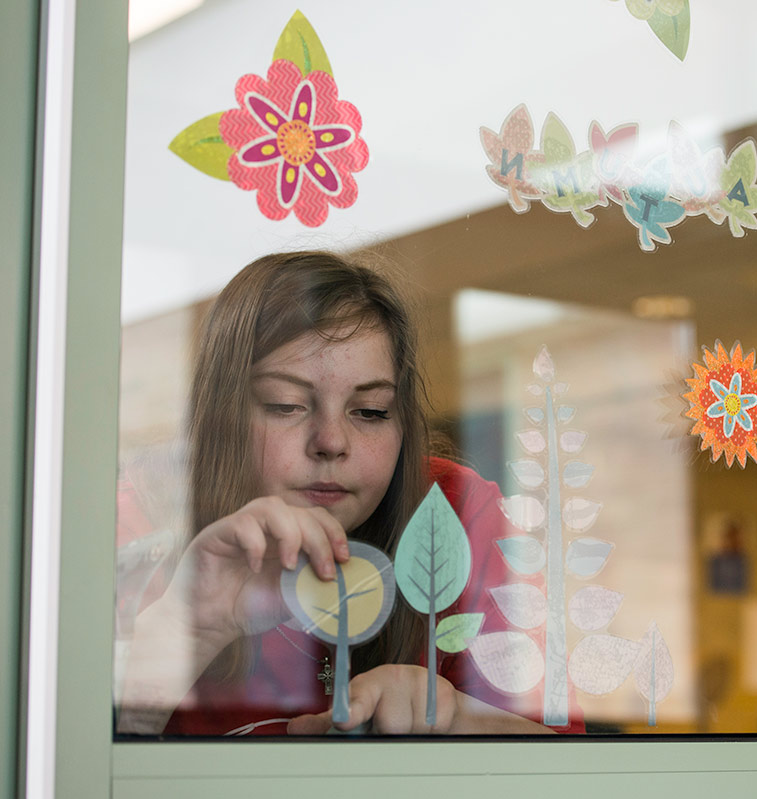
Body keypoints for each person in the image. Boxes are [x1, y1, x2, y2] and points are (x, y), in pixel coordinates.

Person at [116, 251, 580, 736]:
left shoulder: (452, 514)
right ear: (219, 418)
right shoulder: (136, 523)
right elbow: (62, 763)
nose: (331, 442)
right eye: (286, 405)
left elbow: (578, 774)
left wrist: (459, 720)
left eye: (372, 411)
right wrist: (179, 630)